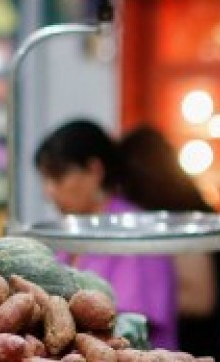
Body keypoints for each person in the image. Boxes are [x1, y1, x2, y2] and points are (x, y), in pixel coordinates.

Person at [34, 119, 179, 349]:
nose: (48, 191)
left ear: (94, 170)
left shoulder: (135, 230)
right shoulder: (69, 234)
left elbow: (129, 324)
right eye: (45, 179)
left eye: (57, 177)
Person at [116, 125, 220, 362]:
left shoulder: (180, 214)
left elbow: (200, 300)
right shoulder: (185, 204)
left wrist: (134, 300)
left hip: (201, 346)